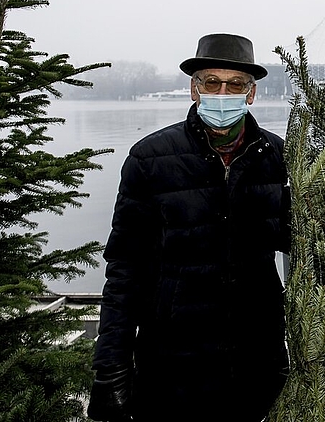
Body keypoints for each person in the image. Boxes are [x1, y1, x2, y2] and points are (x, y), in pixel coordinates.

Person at [87, 33, 291, 421]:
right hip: (172, 363)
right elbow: (124, 268)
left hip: (256, 359)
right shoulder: (150, 159)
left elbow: (323, 224)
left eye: (235, 85)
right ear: (194, 89)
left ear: (251, 94)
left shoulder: (278, 157)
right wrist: (111, 366)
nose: (222, 93)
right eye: (211, 82)